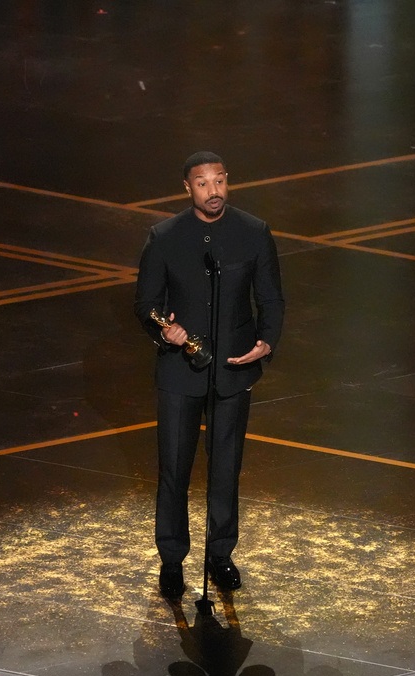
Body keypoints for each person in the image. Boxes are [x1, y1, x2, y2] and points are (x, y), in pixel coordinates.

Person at [135, 151, 285, 598]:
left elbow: (272, 299)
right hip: (181, 373)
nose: (213, 190)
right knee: (174, 470)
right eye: (203, 183)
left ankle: (220, 555)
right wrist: (168, 332)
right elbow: (145, 304)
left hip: (233, 369)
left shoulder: (253, 232)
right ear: (188, 188)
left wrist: (266, 341)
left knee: (226, 469)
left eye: (219, 181)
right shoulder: (164, 237)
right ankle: (172, 560)